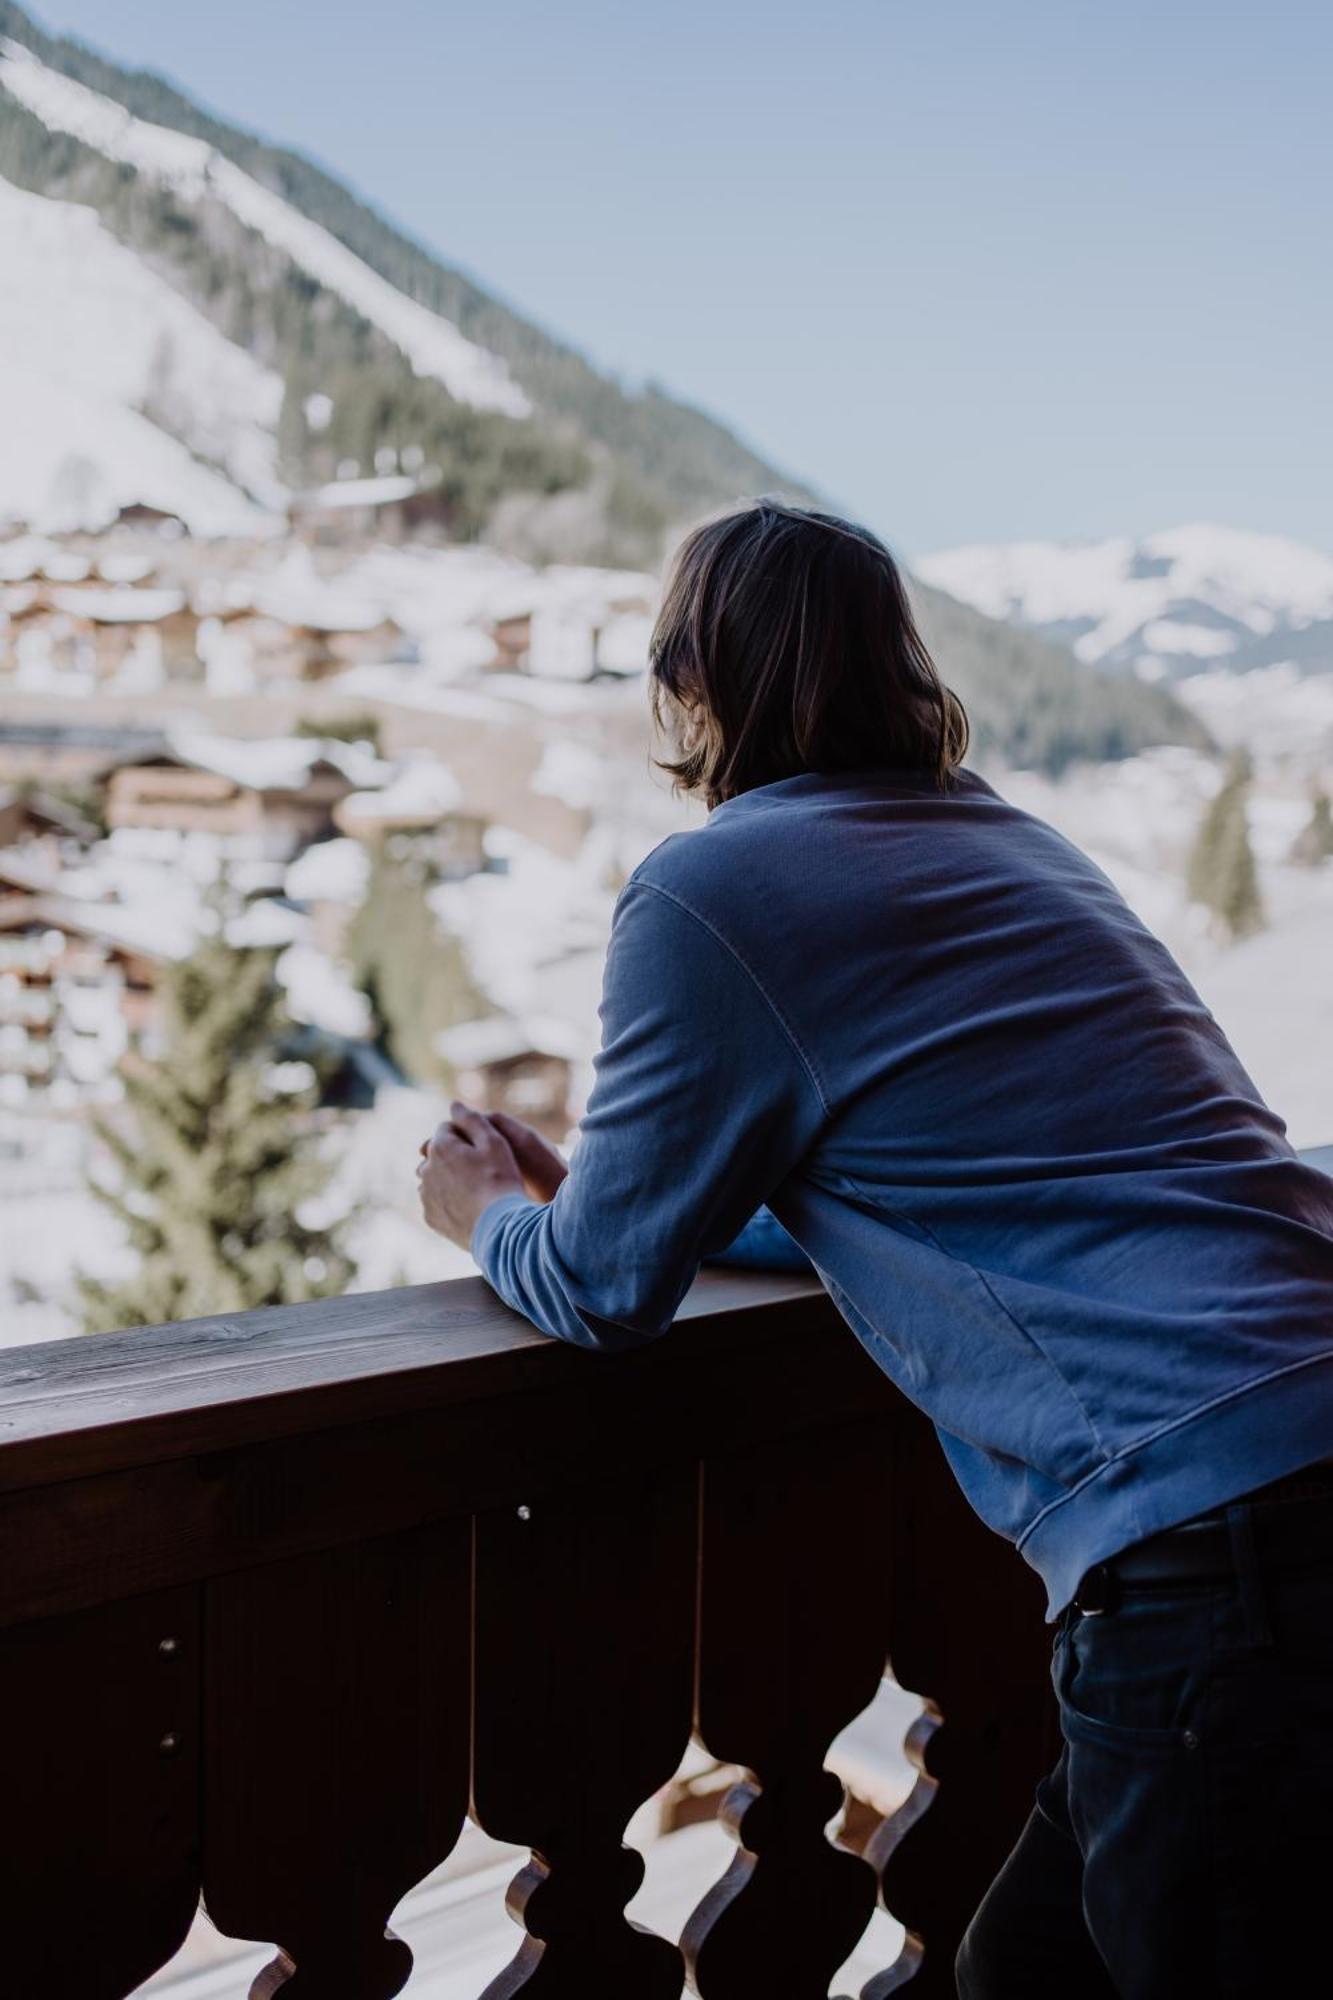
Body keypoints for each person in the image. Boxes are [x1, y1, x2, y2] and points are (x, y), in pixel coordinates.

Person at [417, 497, 1333, 1997]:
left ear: (688, 678)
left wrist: (491, 1216)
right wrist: (649, 1198)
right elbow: (965, 1189)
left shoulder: (710, 888)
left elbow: (595, 1292)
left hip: (1208, 1551)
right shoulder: (1015, 845)